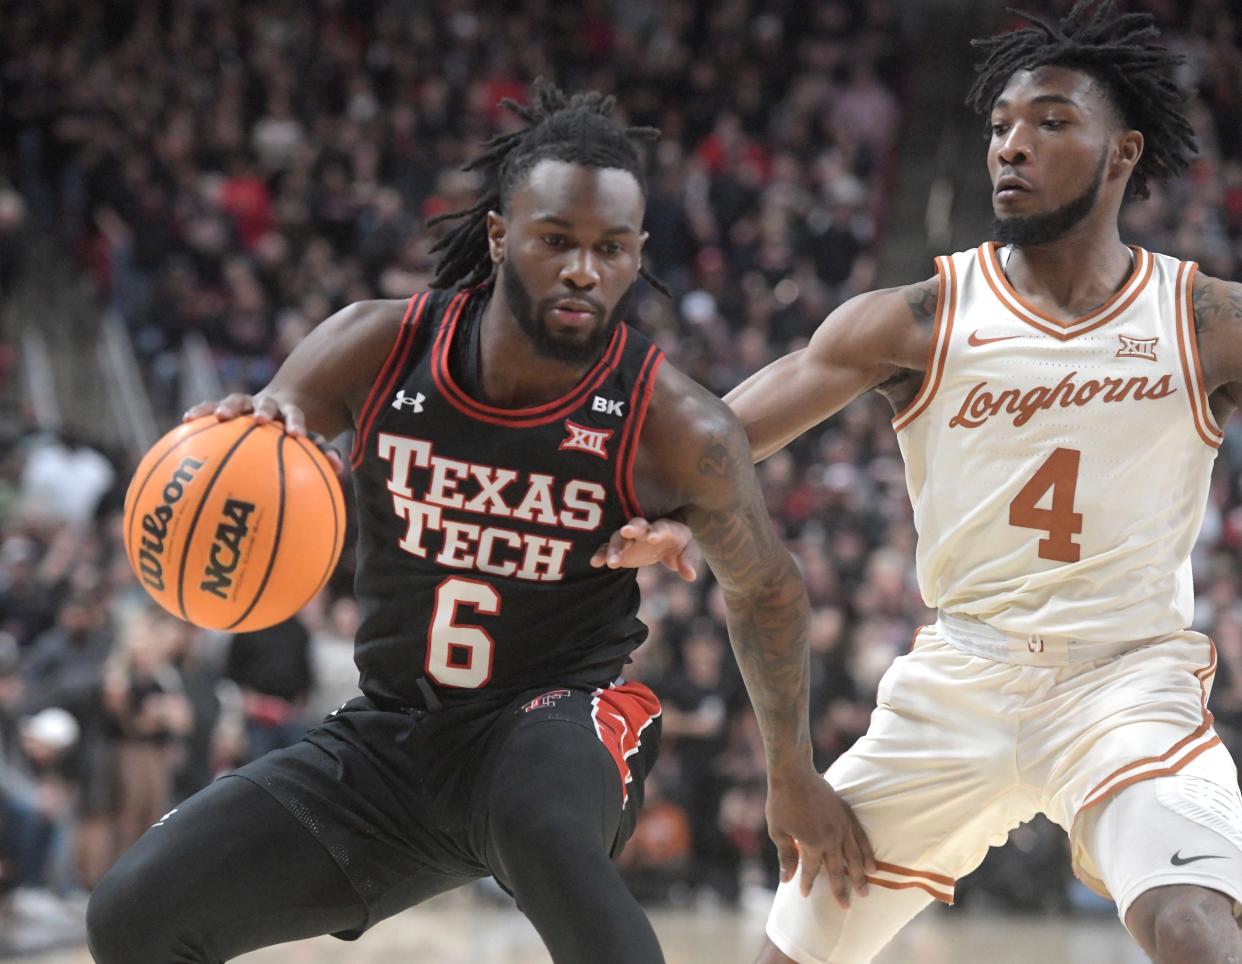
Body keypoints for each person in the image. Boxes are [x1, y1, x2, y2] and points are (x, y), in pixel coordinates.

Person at [85, 82, 874, 964]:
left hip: (562, 720)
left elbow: (767, 588)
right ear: (500, 236)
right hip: (391, 735)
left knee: (540, 823)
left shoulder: (673, 425)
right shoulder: (377, 347)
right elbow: (278, 421)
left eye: (612, 249)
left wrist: (791, 773)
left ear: (638, 253)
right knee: (133, 914)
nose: (585, 269)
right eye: (557, 241)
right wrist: (250, 429)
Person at [597, 4, 1242, 962]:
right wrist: (667, 509)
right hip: (958, 681)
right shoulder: (921, 317)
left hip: (1127, 680)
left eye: (1052, 123)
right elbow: (718, 438)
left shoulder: (1202, 319)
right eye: (1000, 128)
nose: (1012, 147)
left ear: (1122, 153)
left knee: (1191, 925)